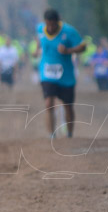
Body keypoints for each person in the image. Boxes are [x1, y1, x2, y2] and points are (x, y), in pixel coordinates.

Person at [33, 8, 86, 138]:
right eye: (48, 24)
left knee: (68, 106)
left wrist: (68, 50)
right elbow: (39, 40)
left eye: (53, 24)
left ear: (58, 22)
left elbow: (83, 46)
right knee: (48, 103)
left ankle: (69, 134)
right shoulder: (40, 29)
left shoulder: (69, 31)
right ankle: (52, 135)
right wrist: (36, 50)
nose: (50, 27)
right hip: (47, 73)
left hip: (66, 76)